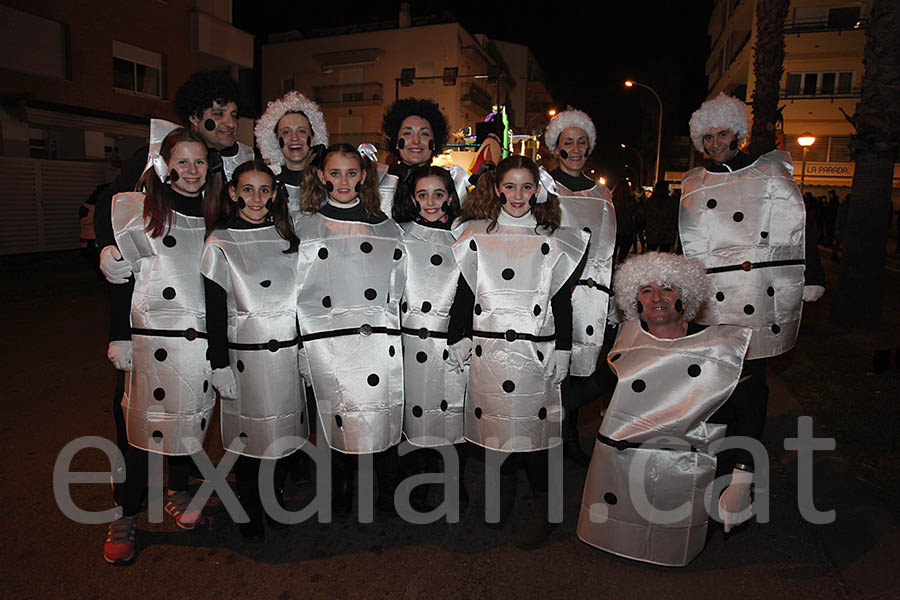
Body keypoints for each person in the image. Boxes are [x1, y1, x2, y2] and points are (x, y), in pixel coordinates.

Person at [576, 252, 755, 566]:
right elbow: (590, 389)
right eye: (646, 291)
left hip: (692, 471)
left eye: (667, 289)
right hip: (624, 472)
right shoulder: (626, 344)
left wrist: (741, 478)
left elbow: (751, 415)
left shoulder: (720, 347)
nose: (656, 297)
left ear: (684, 299)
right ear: (636, 304)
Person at [447, 155, 588, 549]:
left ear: (538, 191)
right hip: (488, 350)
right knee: (496, 426)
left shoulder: (553, 239)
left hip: (535, 353)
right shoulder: (475, 234)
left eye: (526, 187)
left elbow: (561, 299)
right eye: (510, 186)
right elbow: (464, 290)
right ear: (496, 188)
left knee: (536, 432)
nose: (518, 195)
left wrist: (564, 348)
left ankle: (547, 510)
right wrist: (456, 334)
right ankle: (501, 491)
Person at [679, 93, 825, 467]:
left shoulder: (770, 172)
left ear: (737, 134)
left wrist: (813, 273)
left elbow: (797, 226)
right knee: (714, 375)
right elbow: (686, 242)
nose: (714, 144)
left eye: (722, 134)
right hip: (712, 297)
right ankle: (717, 444)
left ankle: (745, 456)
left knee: (752, 379)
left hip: (759, 292)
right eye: (707, 138)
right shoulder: (693, 184)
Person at [102, 126, 222, 565]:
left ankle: (178, 489)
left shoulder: (218, 214)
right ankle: (125, 511)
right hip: (151, 342)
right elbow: (123, 281)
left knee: (189, 423)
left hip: (199, 342)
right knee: (139, 431)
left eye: (199, 162)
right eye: (183, 161)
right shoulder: (139, 211)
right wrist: (119, 335)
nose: (191, 170)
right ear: (165, 165)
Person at [294, 144, 407, 515]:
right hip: (329, 344)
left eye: (351, 173)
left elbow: (398, 287)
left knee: (380, 416)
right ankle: (339, 492)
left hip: (376, 342)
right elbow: (296, 291)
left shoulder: (386, 226)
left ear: (363, 176)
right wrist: (300, 345)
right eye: (335, 173)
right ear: (322, 176)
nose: (343, 181)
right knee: (335, 417)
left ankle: (388, 493)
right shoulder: (305, 226)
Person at [202, 160, 308, 541]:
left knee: (281, 437)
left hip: (285, 356)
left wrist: (304, 352)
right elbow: (215, 309)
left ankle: (274, 502)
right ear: (233, 193)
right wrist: (219, 364)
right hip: (245, 358)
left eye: (265, 190)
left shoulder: (287, 239)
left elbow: (300, 303)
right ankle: (249, 511)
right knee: (249, 442)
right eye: (248, 189)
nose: (257, 198)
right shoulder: (221, 242)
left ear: (276, 193)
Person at [393, 166, 469, 513]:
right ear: (412, 198)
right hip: (410, 344)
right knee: (414, 418)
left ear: (450, 197)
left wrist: (461, 334)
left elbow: (469, 291)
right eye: (422, 195)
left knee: (454, 413)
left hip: (450, 344)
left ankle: (455, 482)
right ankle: (416, 484)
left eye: (438, 194)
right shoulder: (400, 236)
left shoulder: (462, 238)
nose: (431, 202)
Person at [543, 108, 616, 466]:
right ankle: (543, 438)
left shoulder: (601, 194)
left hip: (590, 295)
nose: (574, 149)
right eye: (567, 142)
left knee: (577, 370)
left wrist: (611, 298)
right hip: (551, 292)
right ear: (556, 146)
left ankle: (568, 437)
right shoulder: (543, 188)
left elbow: (607, 250)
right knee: (548, 366)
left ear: (589, 148)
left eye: (581, 142)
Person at [378, 98, 469, 216]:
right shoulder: (380, 181)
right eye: (407, 133)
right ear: (396, 141)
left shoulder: (453, 182)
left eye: (424, 134)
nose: (416, 141)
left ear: (434, 142)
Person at [254, 91, 329, 218]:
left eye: (301, 131)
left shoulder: (326, 180)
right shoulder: (266, 182)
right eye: (286, 132)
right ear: (277, 141)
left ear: (313, 138)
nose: (294, 138)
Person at [643, 180, 678, 252]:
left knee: (650, 256)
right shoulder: (671, 202)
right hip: (667, 234)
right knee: (664, 257)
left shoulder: (650, 202)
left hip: (653, 233)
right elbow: (675, 217)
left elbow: (644, 216)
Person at [611, 180, 636, 264]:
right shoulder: (632, 201)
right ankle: (620, 273)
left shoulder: (611, 200)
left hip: (614, 231)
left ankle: (611, 273)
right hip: (627, 231)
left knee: (611, 256)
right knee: (623, 258)